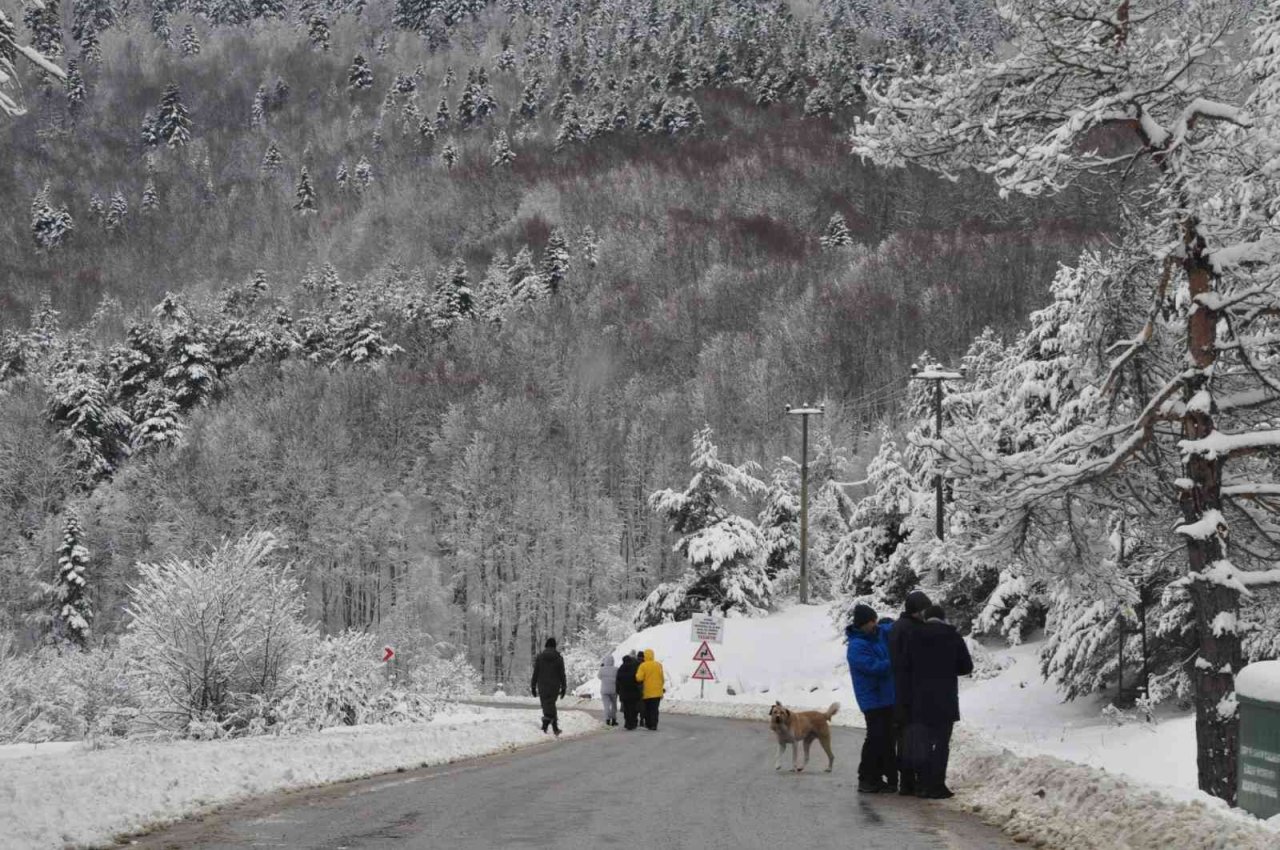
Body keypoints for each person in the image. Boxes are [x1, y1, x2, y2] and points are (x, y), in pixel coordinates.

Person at [902, 605, 973, 799]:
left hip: (920, 699)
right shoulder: (953, 636)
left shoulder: (914, 635)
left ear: (926, 617)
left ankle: (922, 785)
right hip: (945, 698)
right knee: (941, 743)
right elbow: (966, 666)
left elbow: (905, 665)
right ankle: (937, 785)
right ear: (943, 618)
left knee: (922, 742)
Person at [846, 603, 897, 793]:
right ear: (862, 624)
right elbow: (875, 668)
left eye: (875, 620)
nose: (875, 624)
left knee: (885, 738)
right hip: (872, 699)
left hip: (886, 697)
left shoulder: (877, 633)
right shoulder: (856, 646)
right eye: (871, 621)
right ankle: (866, 777)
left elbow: (892, 628)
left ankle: (876, 777)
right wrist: (895, 661)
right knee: (875, 737)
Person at [887, 589, 931, 795]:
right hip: (913, 691)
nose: (925, 613)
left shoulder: (896, 627)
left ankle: (905, 781)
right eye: (924, 609)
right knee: (916, 737)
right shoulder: (915, 629)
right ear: (917, 610)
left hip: (897, 689)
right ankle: (913, 781)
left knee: (903, 737)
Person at [531, 637, 567, 736]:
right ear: (554, 646)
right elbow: (562, 674)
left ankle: (546, 727)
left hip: (542, 686)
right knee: (551, 705)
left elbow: (536, 673)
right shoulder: (559, 658)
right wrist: (564, 687)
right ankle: (553, 728)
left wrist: (533, 686)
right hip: (554, 687)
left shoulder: (540, 657)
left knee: (546, 706)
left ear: (546, 645)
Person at [635, 648, 665, 731]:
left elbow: (639, 678)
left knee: (647, 709)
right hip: (657, 692)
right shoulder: (659, 665)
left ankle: (649, 724)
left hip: (647, 692)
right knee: (655, 709)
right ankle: (654, 725)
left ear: (645, 656)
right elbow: (662, 679)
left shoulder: (643, 665)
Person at [616, 651, 642, 730]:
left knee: (626, 709)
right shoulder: (634, 668)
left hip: (624, 693)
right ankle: (633, 723)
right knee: (633, 708)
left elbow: (617, 681)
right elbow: (637, 680)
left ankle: (627, 723)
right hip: (633, 692)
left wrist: (618, 691)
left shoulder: (620, 669)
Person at [598, 651, 619, 727]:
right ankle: (613, 720)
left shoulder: (602, 669)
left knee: (606, 706)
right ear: (613, 661)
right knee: (614, 705)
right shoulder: (616, 669)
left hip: (604, 690)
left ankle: (607, 720)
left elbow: (599, 677)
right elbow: (618, 678)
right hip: (613, 690)